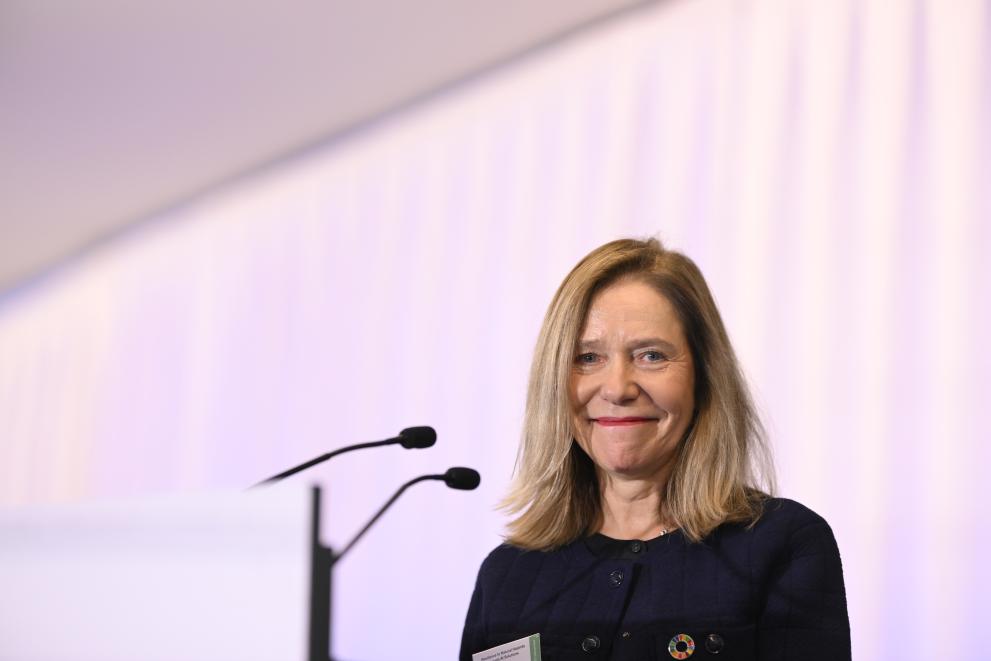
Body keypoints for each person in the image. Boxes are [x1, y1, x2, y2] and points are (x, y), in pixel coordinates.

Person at [460, 238, 850, 661]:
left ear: (703, 378)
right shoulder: (507, 573)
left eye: (650, 355)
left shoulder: (783, 545)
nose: (617, 389)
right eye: (587, 358)